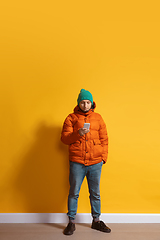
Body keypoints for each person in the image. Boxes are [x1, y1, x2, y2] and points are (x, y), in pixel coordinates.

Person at [61, 89, 111, 235]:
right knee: (74, 193)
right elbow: (64, 139)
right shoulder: (71, 118)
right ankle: (71, 222)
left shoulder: (98, 118)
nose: (85, 105)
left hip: (96, 162)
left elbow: (104, 139)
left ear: (92, 103)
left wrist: (103, 158)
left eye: (88, 102)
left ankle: (96, 221)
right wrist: (78, 134)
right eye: (82, 102)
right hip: (77, 162)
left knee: (95, 193)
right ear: (78, 103)